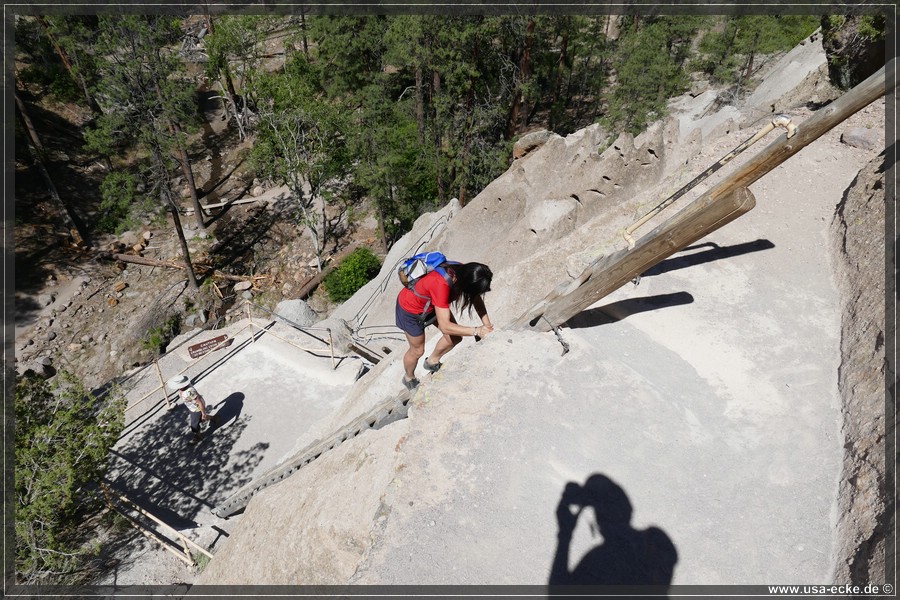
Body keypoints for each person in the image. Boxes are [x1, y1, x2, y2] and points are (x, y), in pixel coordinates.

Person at [395, 261, 494, 390]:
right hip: (410, 309)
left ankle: (432, 361)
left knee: (455, 338)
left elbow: (476, 298)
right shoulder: (441, 283)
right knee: (417, 350)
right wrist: (477, 331)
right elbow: (445, 326)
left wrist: (487, 326)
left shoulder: (466, 273)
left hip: (431, 304)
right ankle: (409, 378)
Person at [167, 375, 210, 443]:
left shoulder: (189, 391)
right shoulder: (184, 388)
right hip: (192, 407)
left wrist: (203, 412)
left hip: (197, 408)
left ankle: (198, 436)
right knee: (199, 418)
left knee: (194, 425)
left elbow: (199, 402)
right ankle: (214, 418)